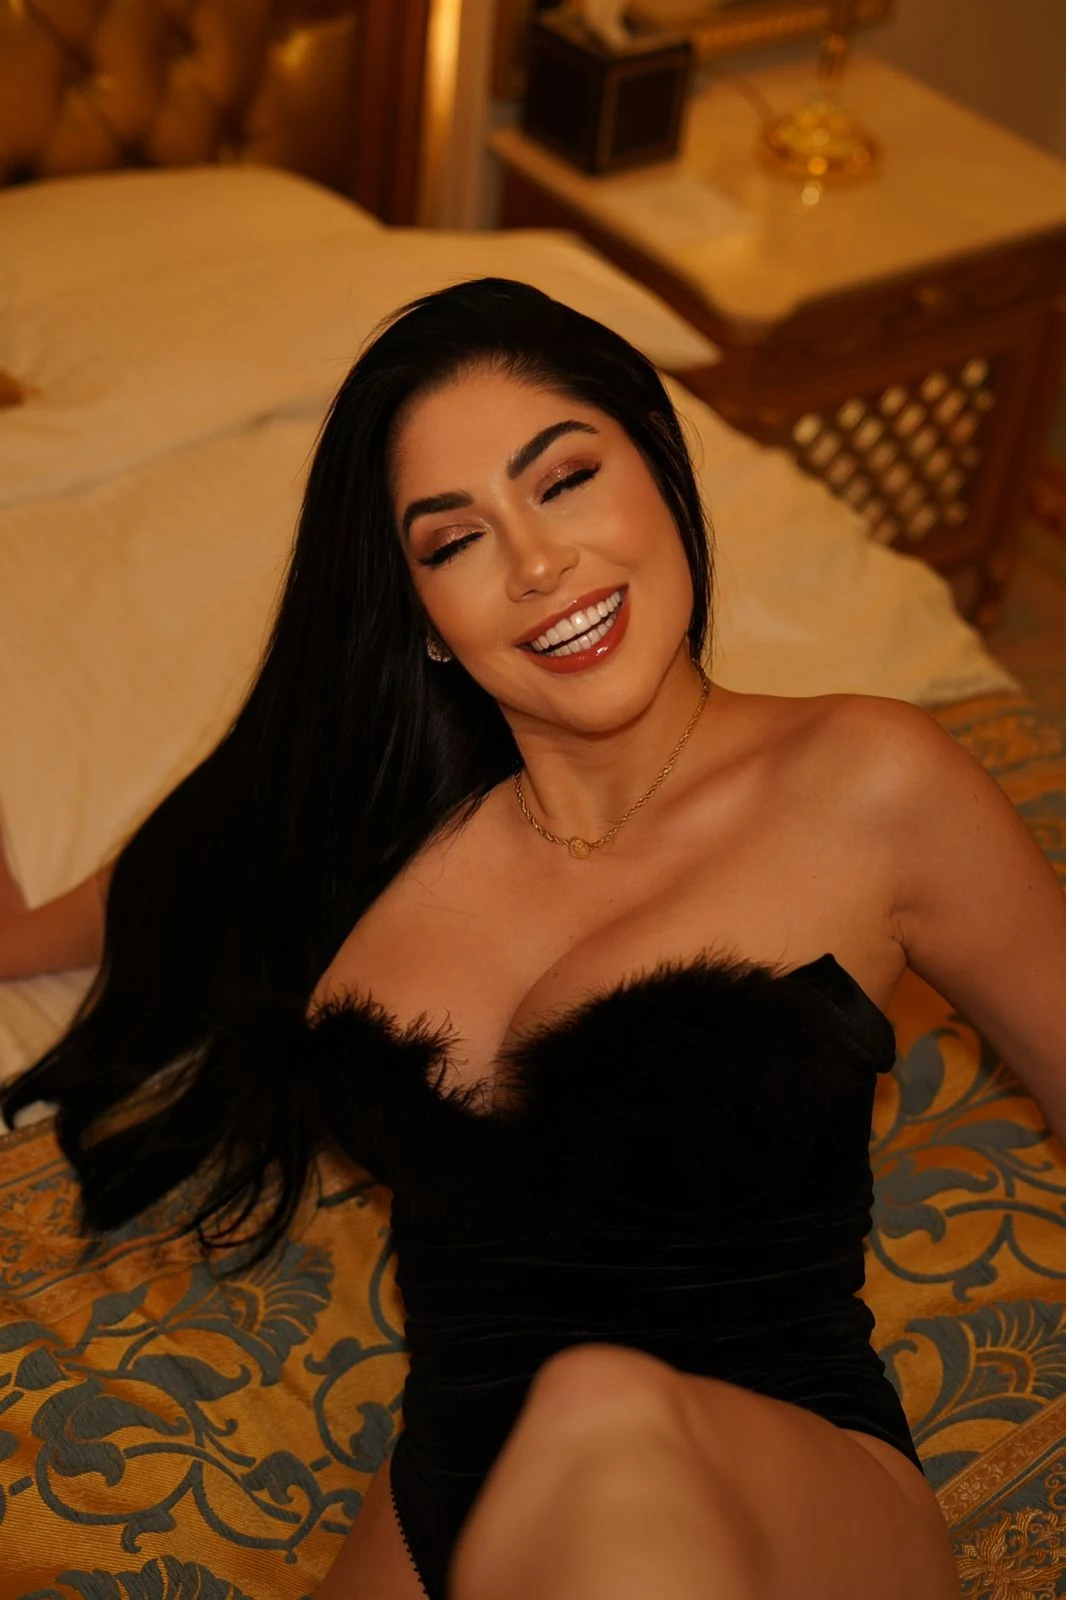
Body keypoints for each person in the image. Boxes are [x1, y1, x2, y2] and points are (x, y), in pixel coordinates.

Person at [2, 279, 1063, 1600]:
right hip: (454, 1488)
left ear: (662, 473)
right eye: (455, 541)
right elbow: (161, 880)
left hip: (784, 1484)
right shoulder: (364, 845)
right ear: (423, 619)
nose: (537, 565)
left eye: (564, 479)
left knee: (597, 1406)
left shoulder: (868, 783)